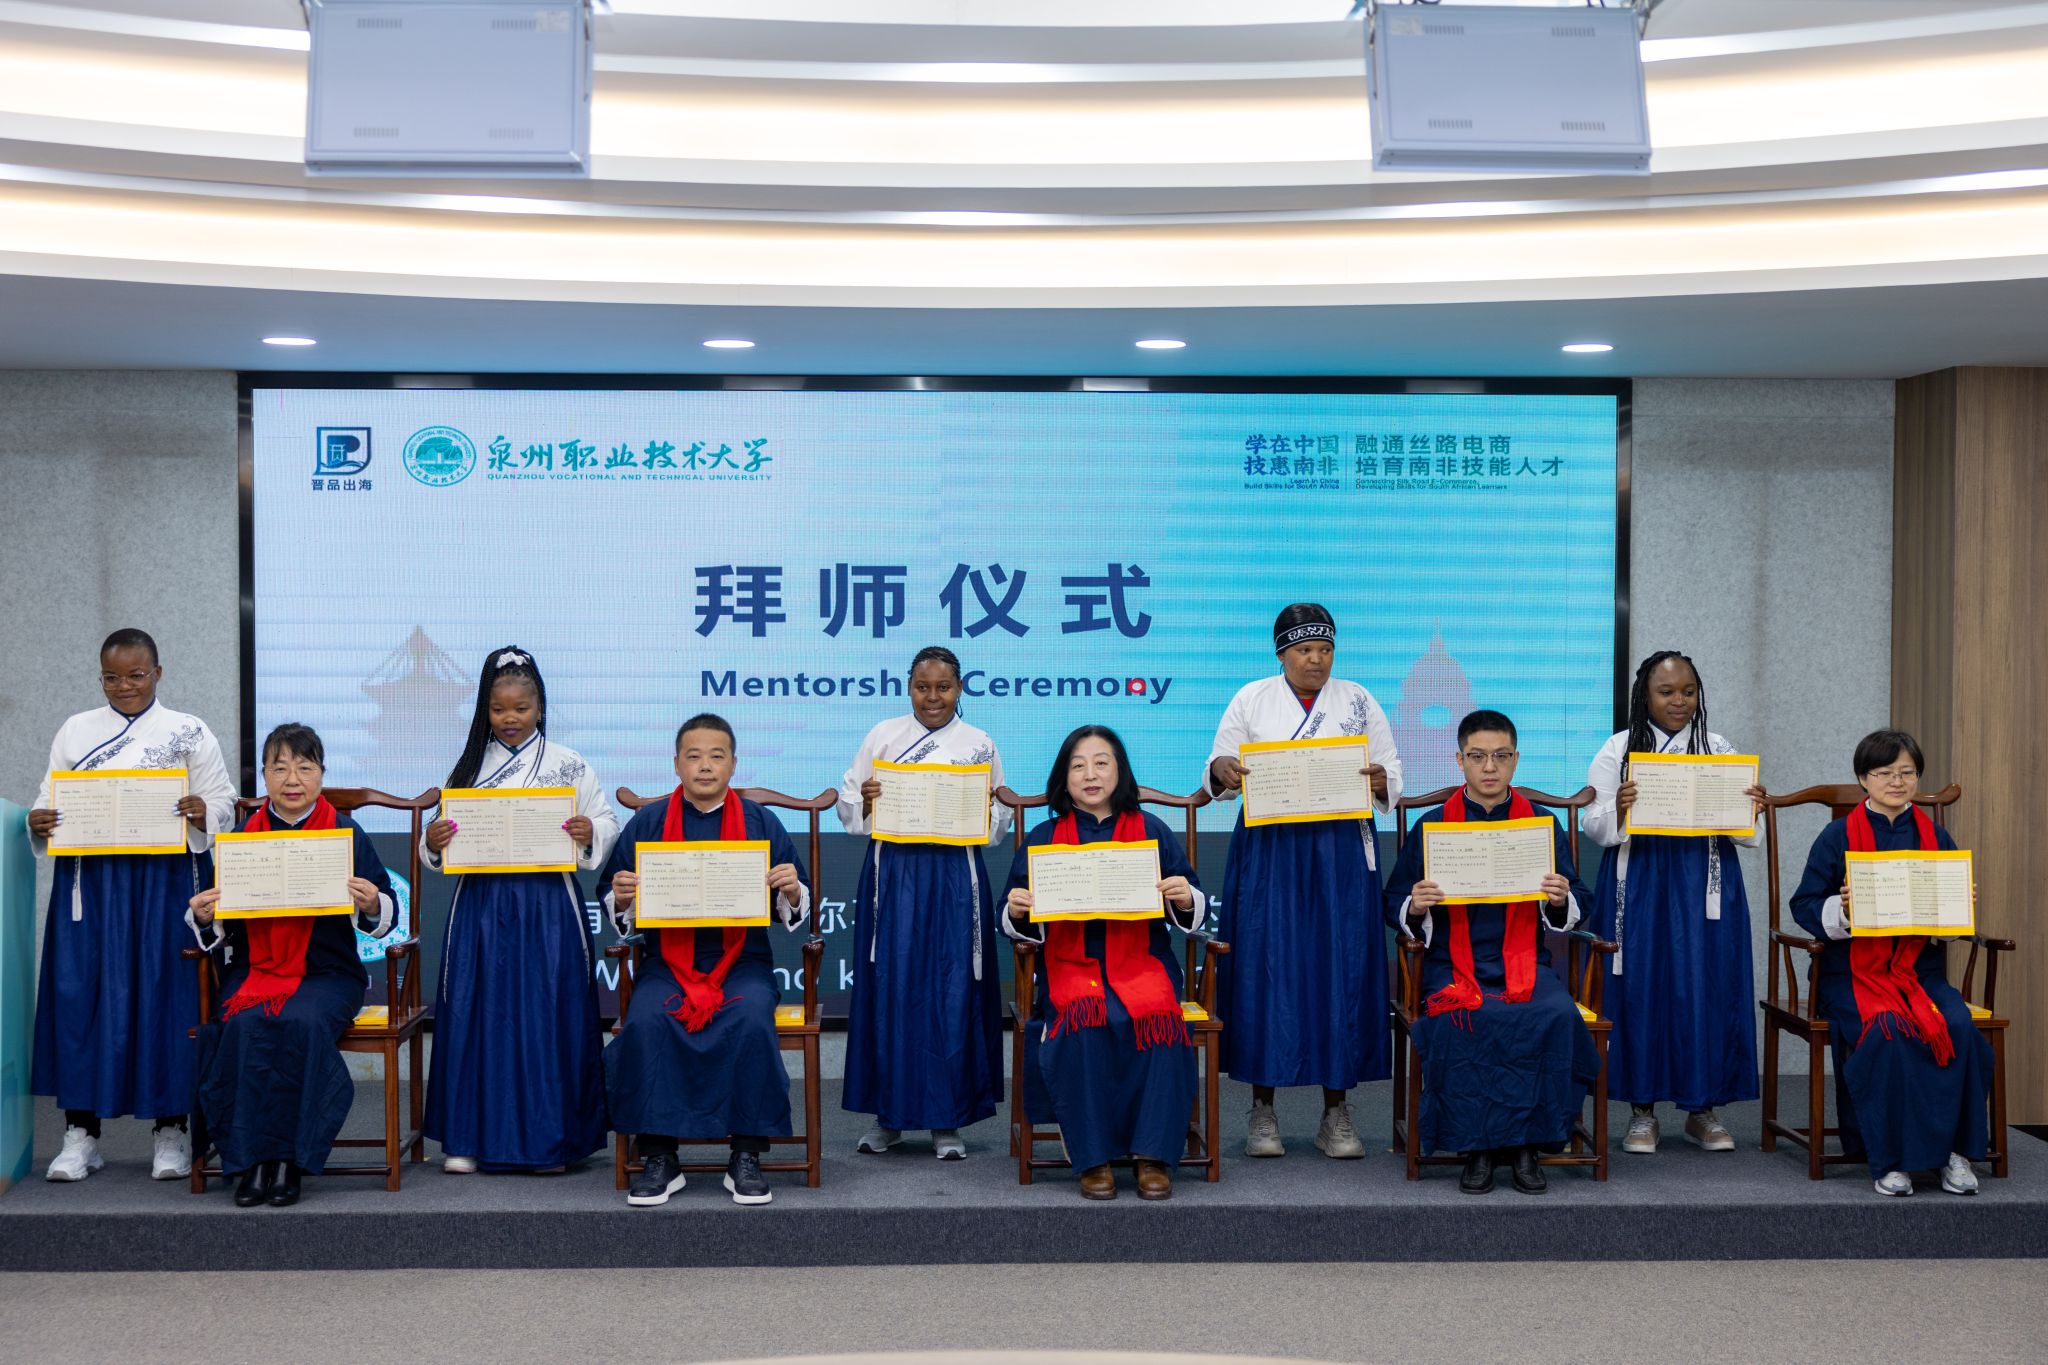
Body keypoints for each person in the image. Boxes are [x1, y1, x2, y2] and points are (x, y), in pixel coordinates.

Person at [30, 628, 236, 1184]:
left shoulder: (189, 730)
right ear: (101, 678)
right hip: (93, 886)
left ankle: (171, 1130)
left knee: (167, 996)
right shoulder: (76, 730)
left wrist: (203, 811)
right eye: (112, 677)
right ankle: (81, 1134)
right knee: (82, 998)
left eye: (136, 675)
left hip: (165, 883)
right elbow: (49, 798)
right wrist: (39, 820)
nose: (124, 686)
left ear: (158, 673)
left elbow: (223, 803)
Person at [1202, 603, 1399, 1159]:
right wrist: (1222, 770)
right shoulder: (1252, 698)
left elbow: (1391, 771)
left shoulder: (1358, 700)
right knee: (1267, 966)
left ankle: (1336, 1111)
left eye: (1326, 649)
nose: (1317, 660)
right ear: (1282, 654)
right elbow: (1219, 767)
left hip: (1339, 851)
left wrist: (1381, 779)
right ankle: (1262, 1110)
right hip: (1271, 850)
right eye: (1305, 650)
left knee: (1340, 966)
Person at [596, 714, 811, 1207]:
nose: (705, 766)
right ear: (676, 764)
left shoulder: (760, 822)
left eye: (717, 756)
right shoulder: (649, 823)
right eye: (694, 756)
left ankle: (746, 1153)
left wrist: (791, 889)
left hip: (742, 962)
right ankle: (659, 1155)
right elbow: (613, 897)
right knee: (648, 1017)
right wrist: (623, 897)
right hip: (666, 962)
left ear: (734, 764)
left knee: (751, 1016)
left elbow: (797, 905)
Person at [1382, 709, 1600, 1195]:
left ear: (1515, 759)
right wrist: (1414, 904)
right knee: (1461, 1019)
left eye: (1501, 756)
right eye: (1477, 756)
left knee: (1553, 1015)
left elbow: (1580, 898)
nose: (1489, 767)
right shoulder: (1433, 826)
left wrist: (1560, 897)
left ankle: (1527, 1146)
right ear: (1459, 759)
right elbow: (1392, 900)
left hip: (1525, 964)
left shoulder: (1540, 825)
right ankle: (1476, 1148)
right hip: (1451, 966)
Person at [421, 647, 618, 1173]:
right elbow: (435, 841)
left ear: (540, 708)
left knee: (547, 1012)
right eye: (498, 709)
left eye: (521, 708)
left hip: (548, 904)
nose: (510, 718)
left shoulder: (567, 763)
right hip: (482, 905)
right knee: (475, 1010)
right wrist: (433, 840)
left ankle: (551, 1141)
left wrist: (589, 830)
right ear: (485, 710)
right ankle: (466, 1138)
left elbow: (607, 823)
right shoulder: (469, 766)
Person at [185, 724, 397, 1207]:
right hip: (255, 972)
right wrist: (204, 916)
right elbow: (220, 925)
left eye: (305, 767)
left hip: (328, 974)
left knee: (299, 1022)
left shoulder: (345, 833)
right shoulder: (242, 838)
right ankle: (250, 1160)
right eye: (279, 768)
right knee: (244, 1024)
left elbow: (385, 918)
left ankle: (288, 1161)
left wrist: (371, 904)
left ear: (322, 773)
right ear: (264, 775)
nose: (293, 779)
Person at [1001, 726, 1203, 1200]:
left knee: (1160, 1021)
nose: (1090, 775)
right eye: (1078, 766)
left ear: (1119, 771)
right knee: (1085, 1025)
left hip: (1142, 963)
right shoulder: (1045, 837)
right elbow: (1009, 916)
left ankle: (1153, 1155)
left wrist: (1183, 897)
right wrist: (1017, 909)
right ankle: (1092, 1157)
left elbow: (1193, 905)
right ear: (1064, 777)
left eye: (1101, 763)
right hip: (1071, 968)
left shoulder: (1151, 831)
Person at [1788, 729, 1992, 1197]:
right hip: (1851, 973)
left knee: (1955, 1025)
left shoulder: (1936, 836)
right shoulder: (1838, 835)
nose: (1897, 782)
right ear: (1864, 778)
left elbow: (1947, 923)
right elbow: (1804, 905)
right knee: (1888, 1028)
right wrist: (1843, 910)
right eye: (1885, 773)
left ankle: (1952, 1153)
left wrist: (1958, 907)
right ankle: (1890, 1158)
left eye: (1907, 773)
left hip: (1919, 972)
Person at [1585, 651, 1767, 1155]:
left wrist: (1751, 809)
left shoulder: (1718, 747)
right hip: (1639, 881)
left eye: (1688, 691)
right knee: (1640, 986)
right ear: (1644, 695)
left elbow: (1747, 835)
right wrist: (1618, 808)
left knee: (1705, 984)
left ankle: (1701, 1110)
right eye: (1666, 692)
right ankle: (1641, 1112)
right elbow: (1593, 825)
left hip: (1704, 885)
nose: (1679, 701)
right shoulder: (1619, 749)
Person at [838, 645, 1011, 1159]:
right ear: (908, 687)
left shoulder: (979, 743)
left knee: (953, 991)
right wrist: (866, 799)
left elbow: (997, 828)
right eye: (922, 687)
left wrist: (987, 808)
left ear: (959, 689)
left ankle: (947, 1120)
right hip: (894, 873)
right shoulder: (883, 736)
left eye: (943, 687)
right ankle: (888, 1118)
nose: (932, 697)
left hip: (956, 875)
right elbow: (849, 810)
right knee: (891, 987)